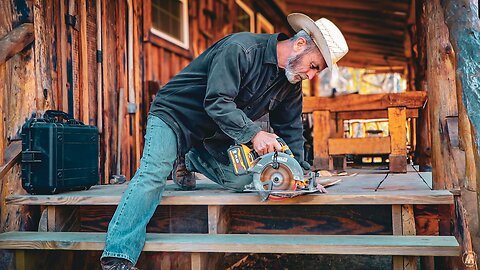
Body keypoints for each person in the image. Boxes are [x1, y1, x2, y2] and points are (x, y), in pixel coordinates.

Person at [100, 13, 348, 270]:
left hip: (216, 132)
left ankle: (189, 158)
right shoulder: (240, 49)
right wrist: (254, 134)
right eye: (314, 66)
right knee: (153, 174)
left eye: (318, 71)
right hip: (175, 116)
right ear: (300, 44)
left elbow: (291, 129)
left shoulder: (291, 84)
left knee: (246, 179)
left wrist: (303, 175)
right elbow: (217, 102)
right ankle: (118, 257)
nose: (312, 75)